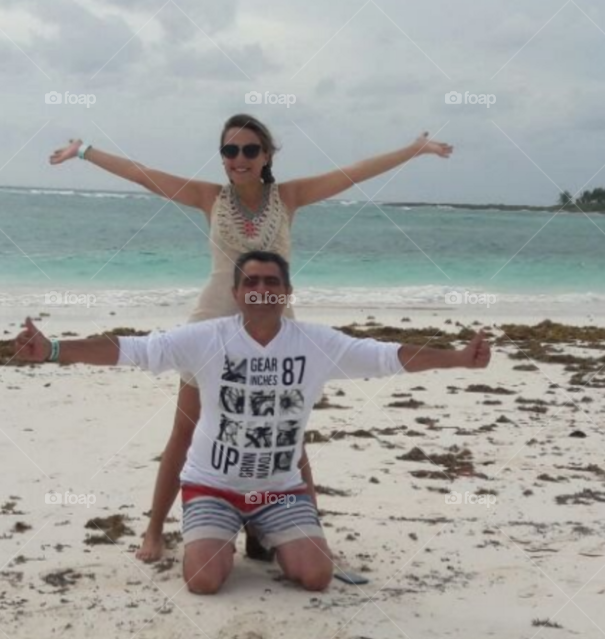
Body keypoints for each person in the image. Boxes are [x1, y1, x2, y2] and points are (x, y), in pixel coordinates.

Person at [48, 115, 454, 563]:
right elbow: (144, 174)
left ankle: (295, 526)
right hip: (213, 319)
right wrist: (85, 152)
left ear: (266, 155)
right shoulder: (209, 197)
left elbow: (353, 174)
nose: (238, 159)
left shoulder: (289, 197)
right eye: (229, 151)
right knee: (185, 429)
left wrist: (412, 150)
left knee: (287, 432)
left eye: (249, 150)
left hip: (273, 321)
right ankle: (154, 531)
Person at [14, 250, 491, 594]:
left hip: (279, 489)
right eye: (252, 282)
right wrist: (56, 350)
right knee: (203, 581)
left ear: (287, 292)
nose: (262, 289)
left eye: (272, 282)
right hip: (211, 486)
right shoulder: (205, 339)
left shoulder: (314, 343)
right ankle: (224, 532)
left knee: (316, 577)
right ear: (237, 293)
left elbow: (389, 357)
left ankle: (266, 531)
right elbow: (130, 348)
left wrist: (456, 359)